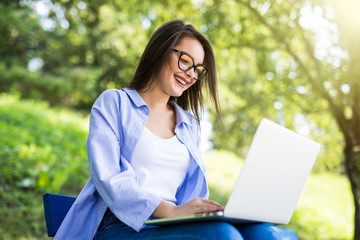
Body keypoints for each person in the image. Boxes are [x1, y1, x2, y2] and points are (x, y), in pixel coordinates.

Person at [54, 20, 283, 240]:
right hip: (119, 226)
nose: (192, 74)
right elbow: (109, 178)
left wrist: (207, 211)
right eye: (186, 61)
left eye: (198, 69)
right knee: (221, 236)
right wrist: (170, 211)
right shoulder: (115, 103)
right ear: (161, 51)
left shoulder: (188, 124)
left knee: (262, 234)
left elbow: (193, 196)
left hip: (167, 226)